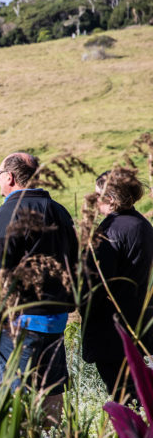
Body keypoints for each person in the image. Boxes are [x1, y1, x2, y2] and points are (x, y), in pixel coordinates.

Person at [0, 152, 77, 423]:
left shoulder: (6, 214)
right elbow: (75, 262)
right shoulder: (59, 211)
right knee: (51, 390)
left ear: (9, 177)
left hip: (16, 324)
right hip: (55, 320)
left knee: (13, 399)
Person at [81, 168, 153, 402]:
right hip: (139, 320)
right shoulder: (142, 224)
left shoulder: (110, 230)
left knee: (126, 395)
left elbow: (96, 282)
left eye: (97, 194)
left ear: (110, 199)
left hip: (112, 326)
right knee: (138, 388)